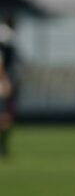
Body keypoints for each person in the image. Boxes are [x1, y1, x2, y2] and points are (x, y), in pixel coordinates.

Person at [0, 15, 19, 158]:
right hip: (2, 83)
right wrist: (5, 80)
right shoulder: (5, 37)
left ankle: (3, 148)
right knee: (5, 117)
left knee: (6, 117)